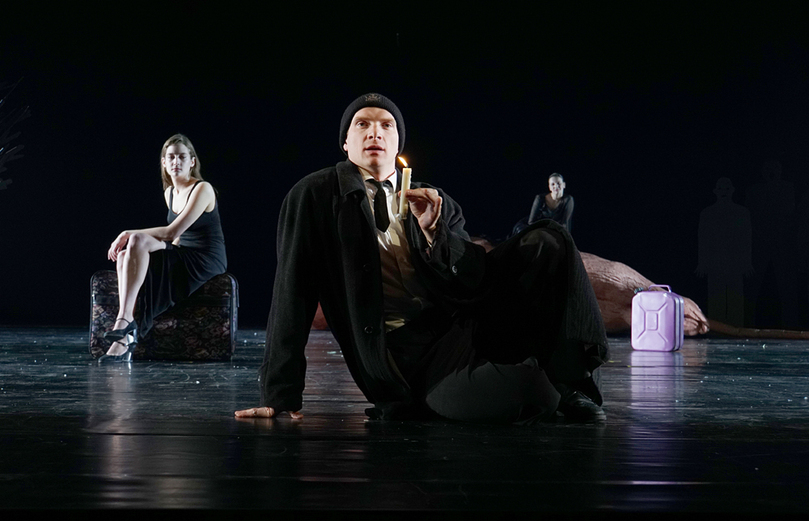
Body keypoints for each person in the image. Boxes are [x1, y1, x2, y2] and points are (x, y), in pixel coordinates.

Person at [236, 94, 609, 424]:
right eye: (362, 124)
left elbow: (473, 281)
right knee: (533, 395)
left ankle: (571, 383)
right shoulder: (315, 195)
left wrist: (435, 235)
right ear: (345, 143)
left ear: (398, 141)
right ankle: (519, 383)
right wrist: (279, 395)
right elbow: (293, 292)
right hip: (409, 358)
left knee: (548, 239)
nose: (375, 132)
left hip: (461, 328)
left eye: (386, 125)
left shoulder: (432, 198)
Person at [100, 134, 227, 362]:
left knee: (136, 238)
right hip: (183, 251)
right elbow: (176, 241)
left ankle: (124, 325)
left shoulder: (203, 189)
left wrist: (127, 233)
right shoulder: (169, 193)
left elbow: (171, 232)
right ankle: (123, 334)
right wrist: (145, 251)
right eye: (171, 157)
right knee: (126, 253)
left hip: (205, 259)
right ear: (164, 163)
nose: (176, 162)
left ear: (192, 162)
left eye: (182, 157)